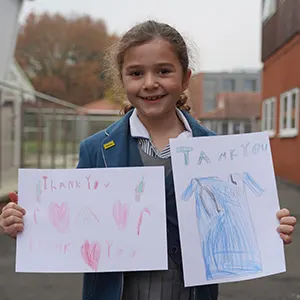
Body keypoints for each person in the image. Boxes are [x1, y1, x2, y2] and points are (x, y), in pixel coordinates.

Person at [0, 20, 297, 300]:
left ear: (185, 78)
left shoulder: (216, 151)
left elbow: (241, 218)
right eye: (136, 73)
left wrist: (267, 229)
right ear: (122, 80)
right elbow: (77, 224)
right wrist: (27, 225)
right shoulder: (96, 150)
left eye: (164, 71)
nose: (150, 83)